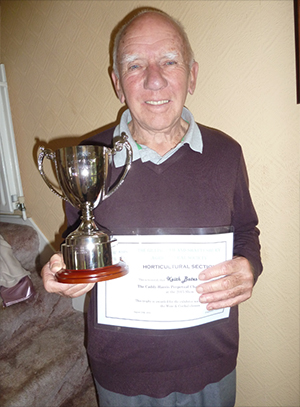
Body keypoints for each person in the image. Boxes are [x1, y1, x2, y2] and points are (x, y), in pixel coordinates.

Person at [42, 9, 262, 407]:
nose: (154, 79)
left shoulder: (227, 153)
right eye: (135, 65)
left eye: (169, 61)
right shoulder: (87, 160)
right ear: (117, 83)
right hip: (121, 375)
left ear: (192, 75)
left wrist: (249, 267)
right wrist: (63, 273)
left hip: (211, 368)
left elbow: (246, 231)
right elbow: (77, 244)